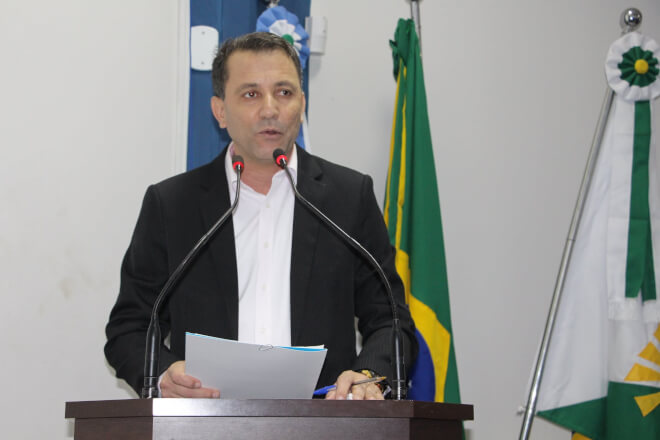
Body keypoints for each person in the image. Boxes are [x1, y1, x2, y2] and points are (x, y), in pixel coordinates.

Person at [104, 32, 417, 400]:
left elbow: (391, 320)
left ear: (302, 103)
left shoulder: (348, 198)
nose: (270, 109)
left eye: (284, 92)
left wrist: (369, 376)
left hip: (325, 419)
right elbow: (130, 328)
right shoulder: (173, 205)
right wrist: (163, 374)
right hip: (208, 421)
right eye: (251, 94)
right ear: (220, 111)